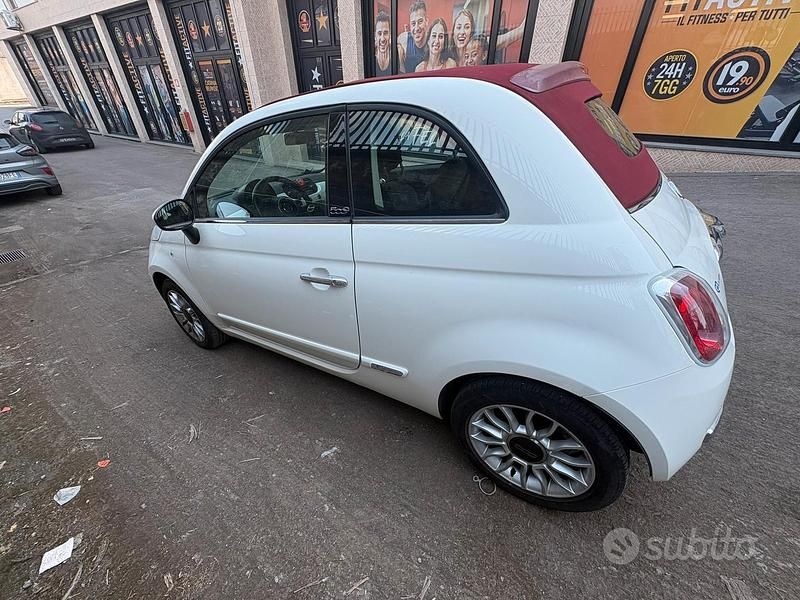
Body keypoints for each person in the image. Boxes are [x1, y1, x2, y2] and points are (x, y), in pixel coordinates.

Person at [449, 8, 526, 67]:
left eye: (467, 27)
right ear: (453, 31)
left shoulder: (480, 44)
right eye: (459, 27)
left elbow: (516, 34)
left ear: (471, 32)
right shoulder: (445, 52)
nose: (462, 32)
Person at [397, 1, 429, 73]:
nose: (416, 28)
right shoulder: (404, 39)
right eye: (413, 23)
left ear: (426, 22)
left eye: (420, 21)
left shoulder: (432, 41)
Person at [374, 12, 392, 76]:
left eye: (385, 33)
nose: (382, 39)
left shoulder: (397, 54)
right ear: (375, 36)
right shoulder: (370, 57)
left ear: (390, 34)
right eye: (379, 33)